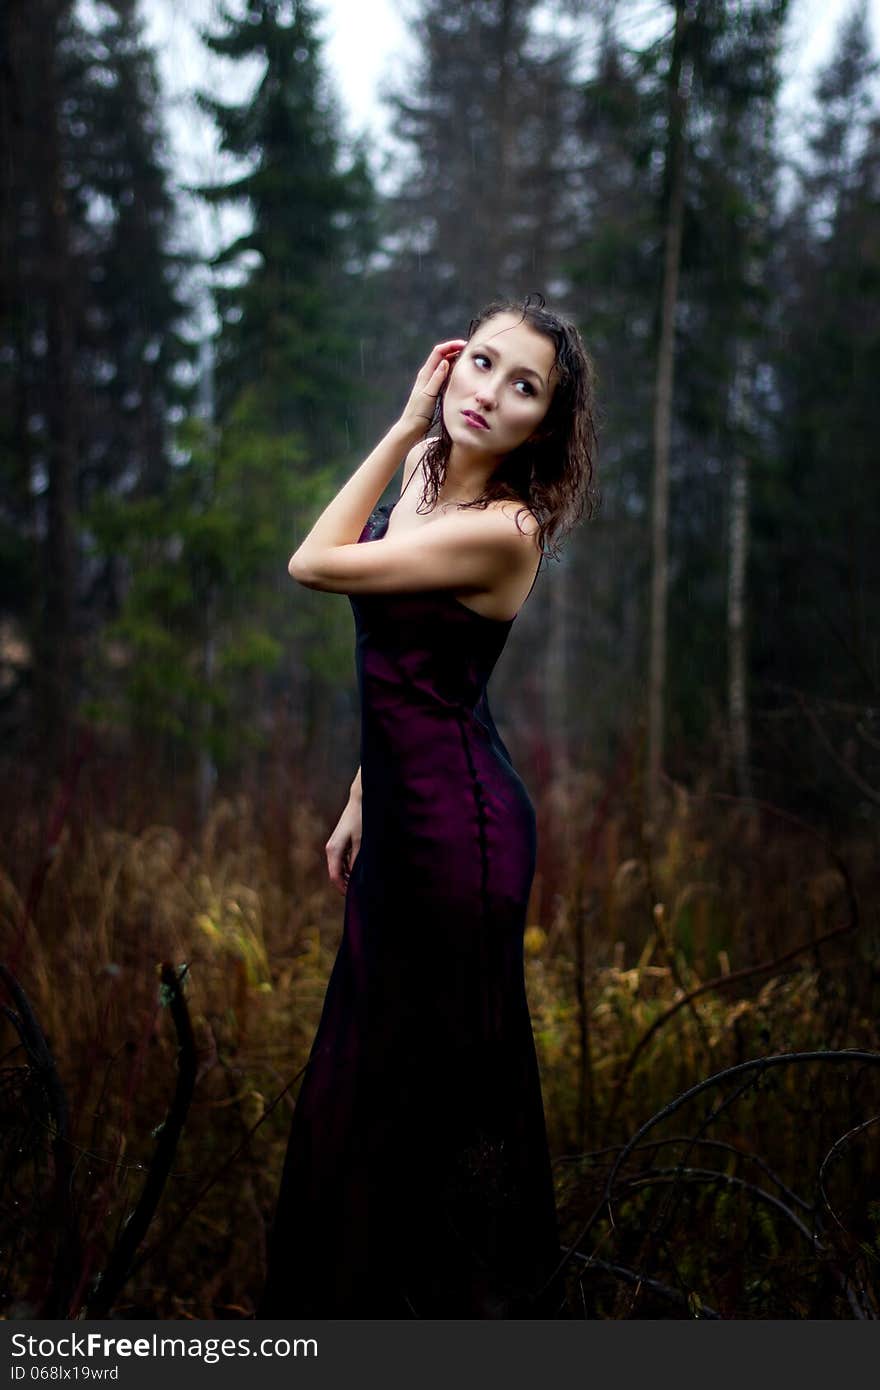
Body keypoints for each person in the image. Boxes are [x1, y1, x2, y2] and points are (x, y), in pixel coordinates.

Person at [257, 292, 598, 1319]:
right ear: (452, 360)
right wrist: (365, 787)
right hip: (402, 815)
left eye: (523, 385)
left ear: (544, 422)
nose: (489, 393)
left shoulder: (505, 531)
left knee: (435, 1103)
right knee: (356, 1086)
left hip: (462, 843)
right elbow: (419, 667)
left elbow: (312, 563)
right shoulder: (425, 482)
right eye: (481, 362)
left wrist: (406, 420)